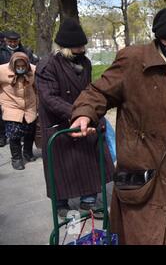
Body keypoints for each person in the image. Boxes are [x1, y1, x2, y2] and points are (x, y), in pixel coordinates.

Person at [69, 6, 166, 245]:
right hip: (142, 174)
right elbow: (98, 92)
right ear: (163, 37)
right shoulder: (133, 60)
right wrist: (84, 114)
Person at [35, 18, 114, 219]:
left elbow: (89, 89)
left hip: (81, 118)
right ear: (65, 48)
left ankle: (88, 201)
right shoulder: (47, 66)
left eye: (83, 46)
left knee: (89, 159)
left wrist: (89, 113)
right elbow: (49, 97)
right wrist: (77, 113)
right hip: (58, 122)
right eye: (77, 47)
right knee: (60, 167)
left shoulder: (85, 63)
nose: (82, 50)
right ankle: (60, 202)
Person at [0, 31, 39, 147]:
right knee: (6, 119)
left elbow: (32, 67)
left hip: (25, 87)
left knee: (28, 121)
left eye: (15, 41)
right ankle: (2, 136)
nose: (12, 43)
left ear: (18, 40)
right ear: (6, 40)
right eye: (10, 41)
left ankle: (27, 149)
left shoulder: (26, 52)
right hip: (8, 89)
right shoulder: (1, 52)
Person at [0, 52, 37, 170]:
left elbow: (37, 87)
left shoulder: (33, 71)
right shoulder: (2, 71)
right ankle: (16, 158)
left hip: (30, 105)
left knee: (30, 131)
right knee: (14, 133)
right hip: (11, 105)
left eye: (23, 66)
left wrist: (38, 103)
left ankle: (27, 152)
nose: (21, 69)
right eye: (18, 66)